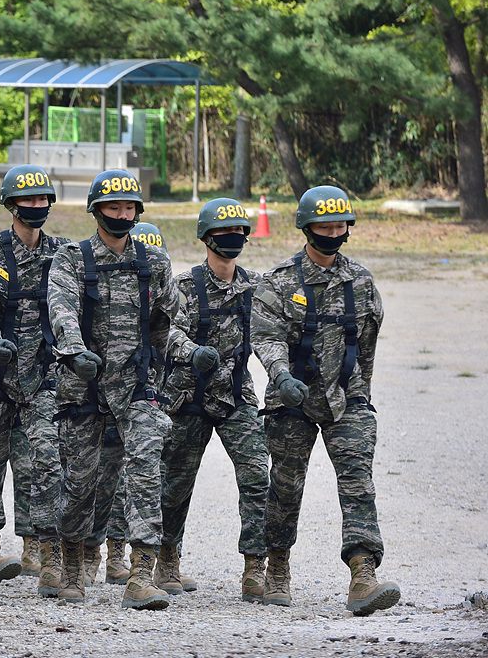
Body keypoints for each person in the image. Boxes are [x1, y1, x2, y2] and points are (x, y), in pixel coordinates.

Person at [252, 185, 399, 616]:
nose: (333, 232)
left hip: (346, 397)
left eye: (340, 225)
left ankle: (362, 572)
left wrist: (361, 395)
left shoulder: (361, 280)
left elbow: (367, 343)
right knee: (285, 487)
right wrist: (281, 377)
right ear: (306, 227)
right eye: (324, 225)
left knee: (358, 483)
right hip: (291, 399)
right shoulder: (280, 281)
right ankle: (276, 564)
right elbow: (265, 335)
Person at [47, 170, 178, 610]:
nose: (122, 215)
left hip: (137, 386)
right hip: (82, 385)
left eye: (128, 208)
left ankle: (141, 575)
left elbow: (165, 326)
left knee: (145, 470)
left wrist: (189, 350)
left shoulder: (154, 263)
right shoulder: (71, 258)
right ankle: (71, 567)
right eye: (113, 207)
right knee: (80, 483)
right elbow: (61, 309)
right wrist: (73, 350)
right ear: (96, 210)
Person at [0, 165, 70, 598]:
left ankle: (51, 558)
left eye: (42, 200)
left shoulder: (63, 253)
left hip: (43, 381)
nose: (36, 207)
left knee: (47, 466)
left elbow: (69, 306)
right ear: (11, 205)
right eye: (28, 201)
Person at [160, 198, 269, 600]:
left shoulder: (257, 287)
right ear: (207, 238)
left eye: (240, 231)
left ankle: (255, 568)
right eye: (225, 233)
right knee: (174, 484)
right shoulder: (184, 286)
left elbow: (273, 332)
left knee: (258, 475)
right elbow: (163, 331)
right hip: (188, 397)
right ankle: (167, 559)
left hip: (237, 397)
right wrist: (190, 351)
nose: (234, 238)